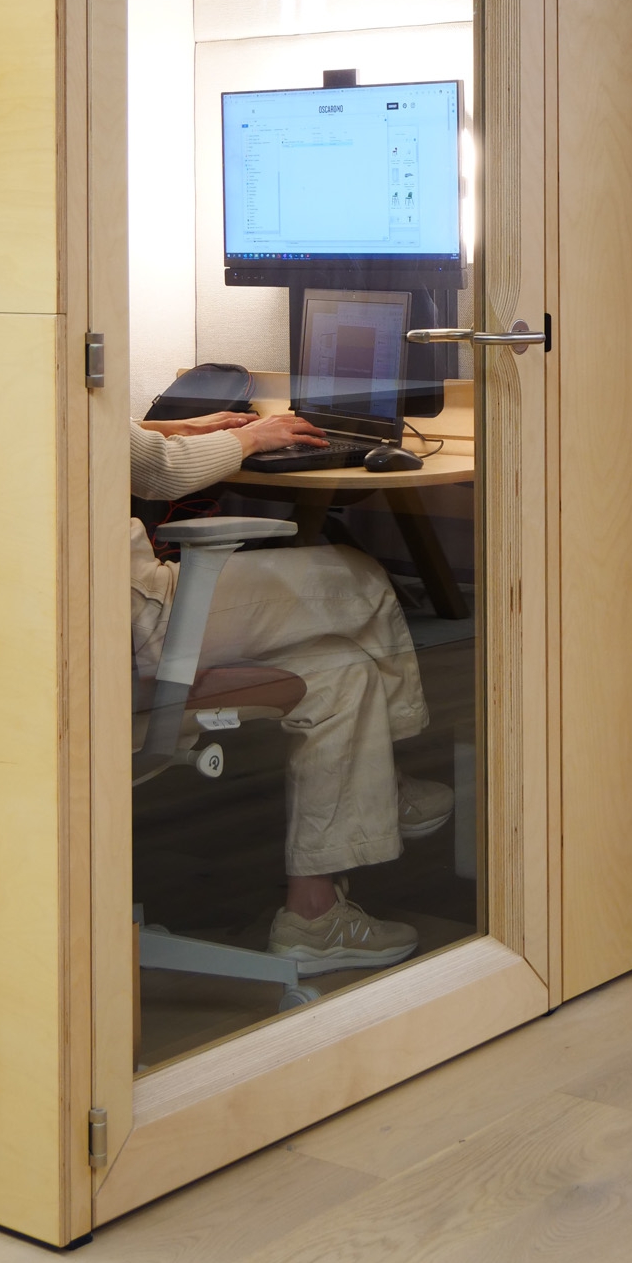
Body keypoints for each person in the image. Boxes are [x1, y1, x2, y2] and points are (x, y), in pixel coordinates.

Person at [130, 408, 453, 974]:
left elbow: (105, 441)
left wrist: (176, 429)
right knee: (358, 579)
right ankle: (389, 781)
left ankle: (314, 916)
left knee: (340, 673)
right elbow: (160, 471)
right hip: (140, 626)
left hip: (83, 642)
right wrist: (251, 436)